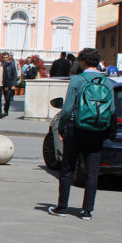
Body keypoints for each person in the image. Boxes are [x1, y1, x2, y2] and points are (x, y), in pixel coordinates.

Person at [48, 47, 113, 220]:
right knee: (92, 171)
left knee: (68, 168)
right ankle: (87, 211)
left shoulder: (77, 80)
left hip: (76, 128)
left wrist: (62, 128)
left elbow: (68, 108)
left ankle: (62, 207)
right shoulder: (107, 82)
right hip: (97, 130)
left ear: (83, 61)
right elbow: (112, 110)